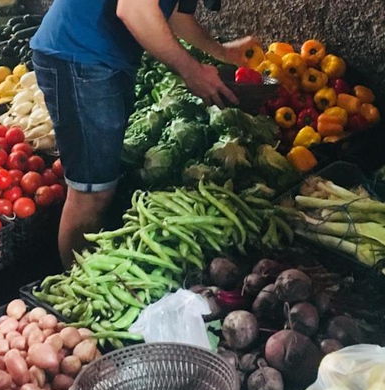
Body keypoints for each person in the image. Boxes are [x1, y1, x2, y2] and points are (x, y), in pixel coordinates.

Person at [30, 0, 258, 267]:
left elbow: (170, 13)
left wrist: (221, 53)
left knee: (99, 187)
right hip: (79, 56)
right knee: (91, 193)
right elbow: (134, 9)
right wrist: (191, 70)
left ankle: (89, 279)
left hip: (100, 60)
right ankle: (76, 293)